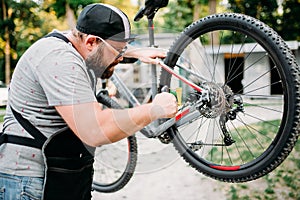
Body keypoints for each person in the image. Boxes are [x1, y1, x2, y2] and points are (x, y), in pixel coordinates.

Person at [0, 3, 177, 200]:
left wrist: (133, 53)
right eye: (117, 50)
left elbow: (98, 52)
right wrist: (154, 109)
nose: (119, 57)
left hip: (61, 177)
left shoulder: (78, 44)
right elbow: (94, 130)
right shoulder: (60, 59)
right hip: (29, 184)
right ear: (92, 42)